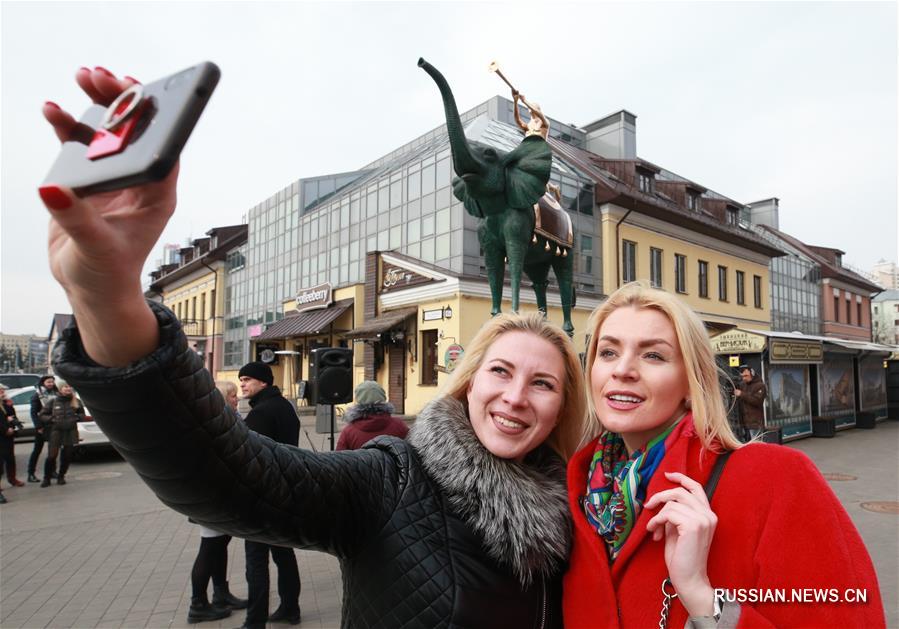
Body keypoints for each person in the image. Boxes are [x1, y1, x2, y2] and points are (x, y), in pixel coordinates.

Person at [38, 65, 590, 624]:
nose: (516, 396)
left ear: (563, 405)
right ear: (470, 380)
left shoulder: (582, 510)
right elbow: (229, 477)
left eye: (542, 382)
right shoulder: (391, 482)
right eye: (500, 371)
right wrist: (106, 296)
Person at [563, 282, 885, 628]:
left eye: (653, 355)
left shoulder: (775, 479)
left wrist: (703, 598)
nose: (622, 369)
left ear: (692, 383)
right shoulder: (576, 497)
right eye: (608, 352)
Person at [238, 361, 302, 628]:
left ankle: (255, 620)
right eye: (241, 380)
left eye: (248, 379)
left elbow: (251, 459)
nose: (242, 384)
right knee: (283, 552)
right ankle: (290, 608)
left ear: (263, 382)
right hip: (285, 493)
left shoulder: (261, 414)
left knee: (256, 559)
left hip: (261, 497)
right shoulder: (284, 406)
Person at [185, 381, 249, 624]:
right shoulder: (212, 424)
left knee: (220, 543)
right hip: (211, 496)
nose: (237, 398)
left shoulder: (228, 420)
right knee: (210, 547)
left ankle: (221, 594)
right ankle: (198, 604)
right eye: (232, 396)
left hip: (219, 494)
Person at [335, 381, 408, 451]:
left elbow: (340, 459)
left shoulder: (348, 431)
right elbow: (412, 452)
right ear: (383, 398)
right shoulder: (399, 426)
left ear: (358, 400)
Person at [38, 379, 84, 487]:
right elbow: (42, 415)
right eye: (65, 387)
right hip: (56, 432)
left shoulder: (76, 401)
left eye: (69, 387)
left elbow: (82, 414)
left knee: (67, 456)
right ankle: (46, 478)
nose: (68, 389)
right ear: (60, 389)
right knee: (51, 456)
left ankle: (61, 476)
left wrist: (76, 418)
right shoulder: (53, 401)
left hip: (70, 431)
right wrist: (52, 419)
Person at [28, 374, 57, 482]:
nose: (50, 384)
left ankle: (52, 471)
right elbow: (33, 412)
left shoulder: (56, 393)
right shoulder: (37, 395)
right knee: (37, 450)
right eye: (48, 382)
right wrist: (38, 426)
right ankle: (31, 474)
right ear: (43, 383)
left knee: (53, 450)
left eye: (52, 382)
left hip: (54, 425)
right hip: (42, 427)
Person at [1, 385, 25, 489]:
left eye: (3, 391)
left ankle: (12, 479)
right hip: (2, 434)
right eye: (0, 391)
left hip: (8, 436)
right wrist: (5, 429)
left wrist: (9, 405)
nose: (2, 393)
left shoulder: (5, 403)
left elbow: (11, 416)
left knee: (10, 458)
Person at [734, 364, 766, 440]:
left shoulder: (760, 385)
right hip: (743, 423)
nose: (744, 378)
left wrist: (742, 394)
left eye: (746, 376)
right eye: (742, 376)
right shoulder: (742, 385)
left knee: (757, 444)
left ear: (752, 373)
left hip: (755, 423)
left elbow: (757, 401)